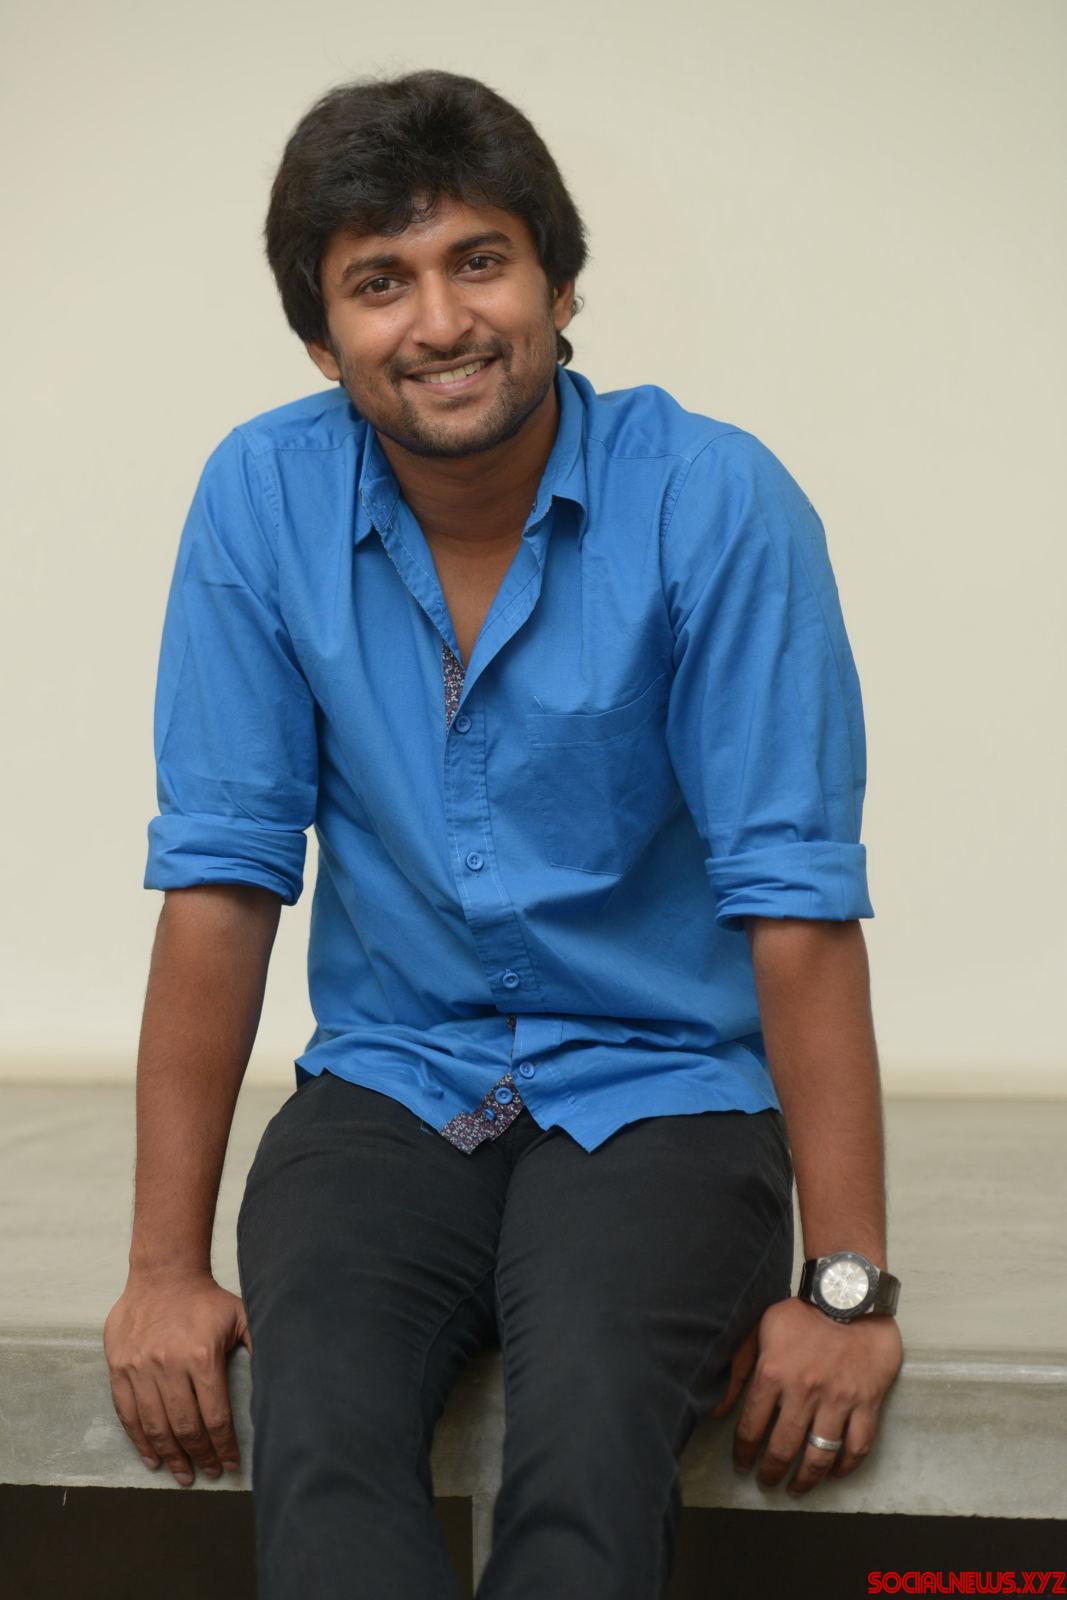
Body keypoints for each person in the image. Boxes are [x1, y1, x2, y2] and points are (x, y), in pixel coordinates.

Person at [103, 67, 904, 1599]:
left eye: (480, 260)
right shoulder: (262, 497)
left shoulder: (715, 502)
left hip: (665, 1089)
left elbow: (797, 897)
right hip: (396, 1079)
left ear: (560, 281)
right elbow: (220, 882)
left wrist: (847, 1287)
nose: (441, 321)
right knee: (322, 1429)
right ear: (321, 336)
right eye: (379, 282)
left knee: (590, 1429)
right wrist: (161, 1272)